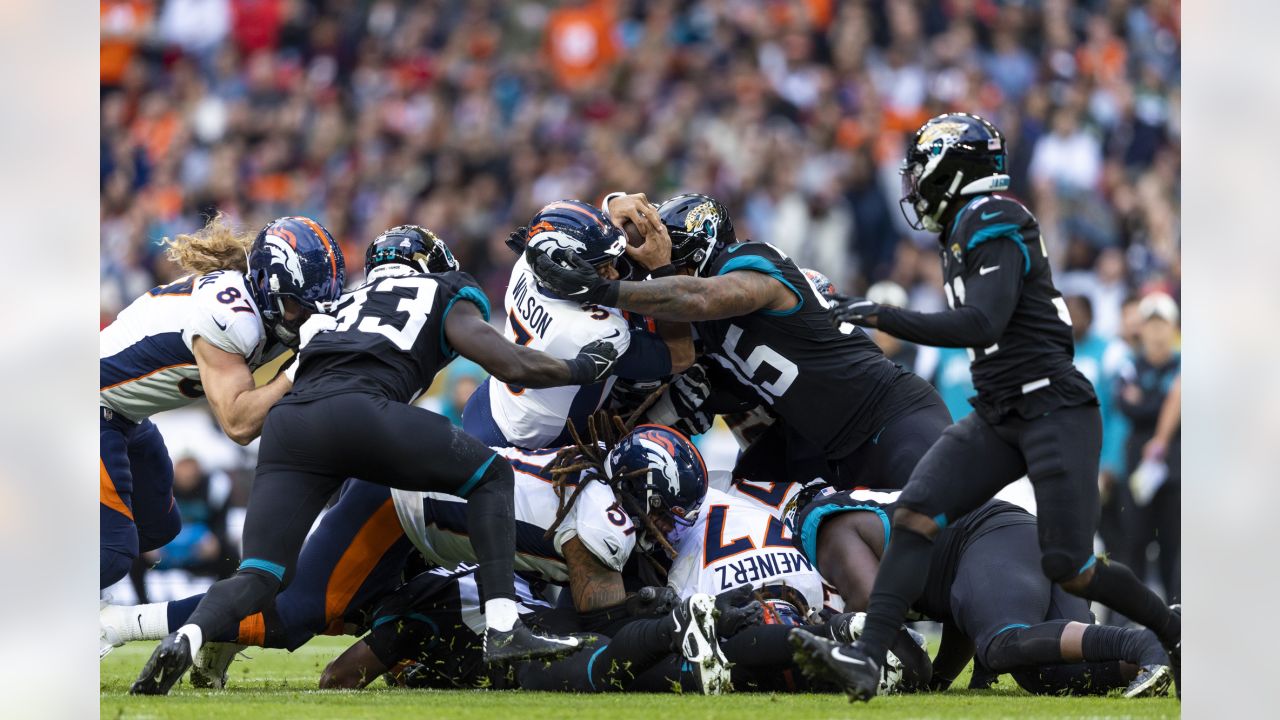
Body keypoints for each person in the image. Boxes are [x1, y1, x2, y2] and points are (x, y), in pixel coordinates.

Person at [130, 224, 618, 695]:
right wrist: (581, 366)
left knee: (258, 575)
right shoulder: (442, 288)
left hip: (290, 423)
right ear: (428, 262)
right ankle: (505, 627)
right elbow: (508, 363)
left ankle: (187, 639)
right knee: (491, 476)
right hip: (365, 411)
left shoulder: (339, 303)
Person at [814, 112, 1180, 701]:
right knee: (915, 514)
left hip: (1052, 408)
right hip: (1000, 411)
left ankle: (1171, 628)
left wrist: (884, 315)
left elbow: (983, 320)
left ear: (953, 167)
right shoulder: (964, 226)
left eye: (923, 170)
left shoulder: (994, 217)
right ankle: (868, 658)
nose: (916, 185)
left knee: (1070, 566)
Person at [527, 192, 952, 492]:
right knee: (741, 501)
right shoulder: (699, 333)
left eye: (672, 261)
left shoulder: (751, 264)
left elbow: (697, 297)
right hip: (821, 446)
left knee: (948, 531)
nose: (658, 272)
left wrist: (610, 290)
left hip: (889, 416)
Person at [100, 214, 345, 591]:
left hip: (126, 416)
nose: (306, 318)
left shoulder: (266, 305)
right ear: (265, 285)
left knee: (158, 526)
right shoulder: (232, 316)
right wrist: (300, 366)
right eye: (299, 307)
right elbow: (239, 423)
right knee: (113, 553)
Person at [788, 488, 1173, 697]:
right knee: (1050, 676)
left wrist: (831, 623)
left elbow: (872, 604)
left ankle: (1145, 645)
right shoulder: (853, 512)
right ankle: (1170, 644)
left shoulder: (824, 527)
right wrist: (938, 681)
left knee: (1002, 644)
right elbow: (962, 603)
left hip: (993, 537)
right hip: (1012, 537)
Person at [464, 199, 693, 450]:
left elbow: (579, 238)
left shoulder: (526, 266)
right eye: (602, 267)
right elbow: (681, 355)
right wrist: (663, 269)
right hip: (525, 444)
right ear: (563, 271)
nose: (614, 273)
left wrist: (612, 203)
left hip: (487, 402)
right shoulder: (596, 330)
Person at [1115, 292, 1181, 604]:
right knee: (1135, 542)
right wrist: (1166, 405)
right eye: (1151, 324)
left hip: (1177, 466)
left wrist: (1146, 402)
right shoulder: (1129, 365)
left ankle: (1176, 616)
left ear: (1173, 327)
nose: (1156, 332)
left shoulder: (1183, 363)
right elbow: (1126, 407)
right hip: (1139, 464)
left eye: (1162, 324)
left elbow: (1140, 406)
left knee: (1174, 545)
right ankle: (1129, 618)